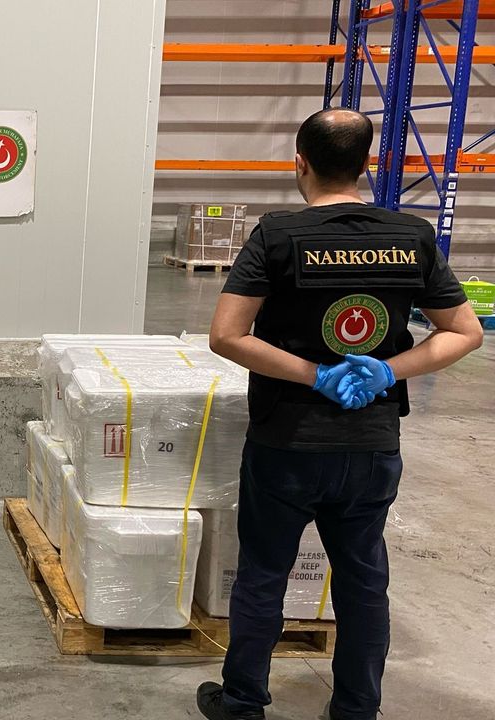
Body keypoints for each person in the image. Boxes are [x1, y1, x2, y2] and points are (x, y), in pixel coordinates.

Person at [198, 108, 483, 720]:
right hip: (371, 443)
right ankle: (356, 708)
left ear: (299, 163)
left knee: (264, 574)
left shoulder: (277, 236)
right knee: (362, 579)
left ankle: (243, 702)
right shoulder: (412, 237)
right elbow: (464, 332)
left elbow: (226, 335)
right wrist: (387, 370)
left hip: (287, 441)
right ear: (367, 165)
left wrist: (315, 375)